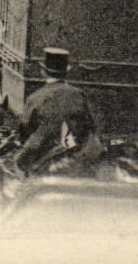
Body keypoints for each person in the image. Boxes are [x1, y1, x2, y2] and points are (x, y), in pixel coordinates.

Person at [12, 47, 100, 176]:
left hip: (42, 155)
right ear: (66, 72)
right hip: (74, 154)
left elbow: (23, 131)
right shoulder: (78, 94)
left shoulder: (36, 97)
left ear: (44, 72)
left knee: (17, 165)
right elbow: (91, 126)